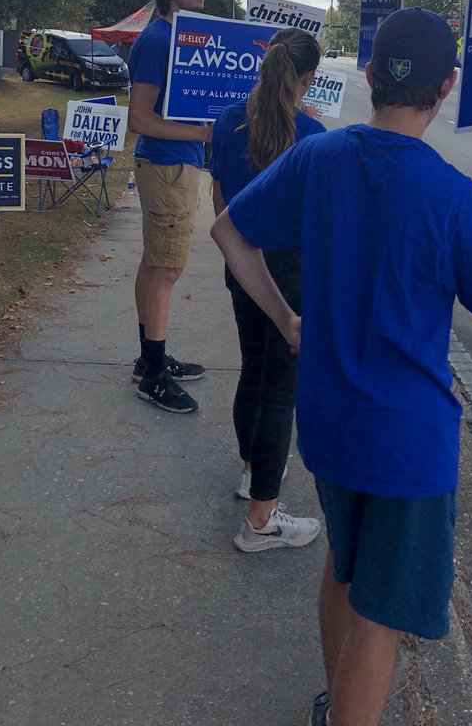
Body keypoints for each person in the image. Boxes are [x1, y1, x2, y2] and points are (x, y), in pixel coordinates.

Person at [210, 7, 472, 726]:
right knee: (380, 612)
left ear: (369, 77)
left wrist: (286, 320)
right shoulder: (453, 196)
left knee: (344, 566)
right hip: (407, 444)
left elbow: (228, 231)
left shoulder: (320, 157)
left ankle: (335, 701)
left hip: (329, 422)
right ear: (448, 87)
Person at [210, 28, 325, 553]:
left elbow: (219, 197)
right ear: (307, 79)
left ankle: (251, 472)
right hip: (292, 270)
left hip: (242, 259)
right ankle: (261, 519)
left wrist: (235, 255)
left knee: (253, 369)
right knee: (281, 389)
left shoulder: (227, 121)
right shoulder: (313, 135)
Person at [127, 0, 212, 414]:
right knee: (166, 271)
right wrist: (202, 133)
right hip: (168, 167)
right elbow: (140, 118)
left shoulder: (177, 37)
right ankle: (154, 378)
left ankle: (150, 358)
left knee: (154, 264)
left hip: (173, 166)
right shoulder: (159, 41)